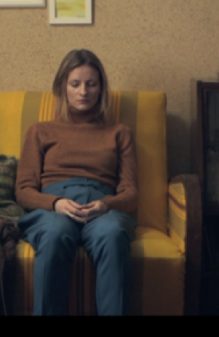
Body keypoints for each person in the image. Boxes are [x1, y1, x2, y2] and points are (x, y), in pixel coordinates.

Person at [15, 48, 138, 316]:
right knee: (55, 233)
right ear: (62, 87)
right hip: (54, 208)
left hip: (102, 208)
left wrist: (106, 205)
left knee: (112, 233)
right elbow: (23, 190)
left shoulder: (120, 133)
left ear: (101, 88)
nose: (83, 91)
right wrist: (56, 203)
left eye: (91, 84)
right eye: (75, 84)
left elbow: (131, 194)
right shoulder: (39, 131)